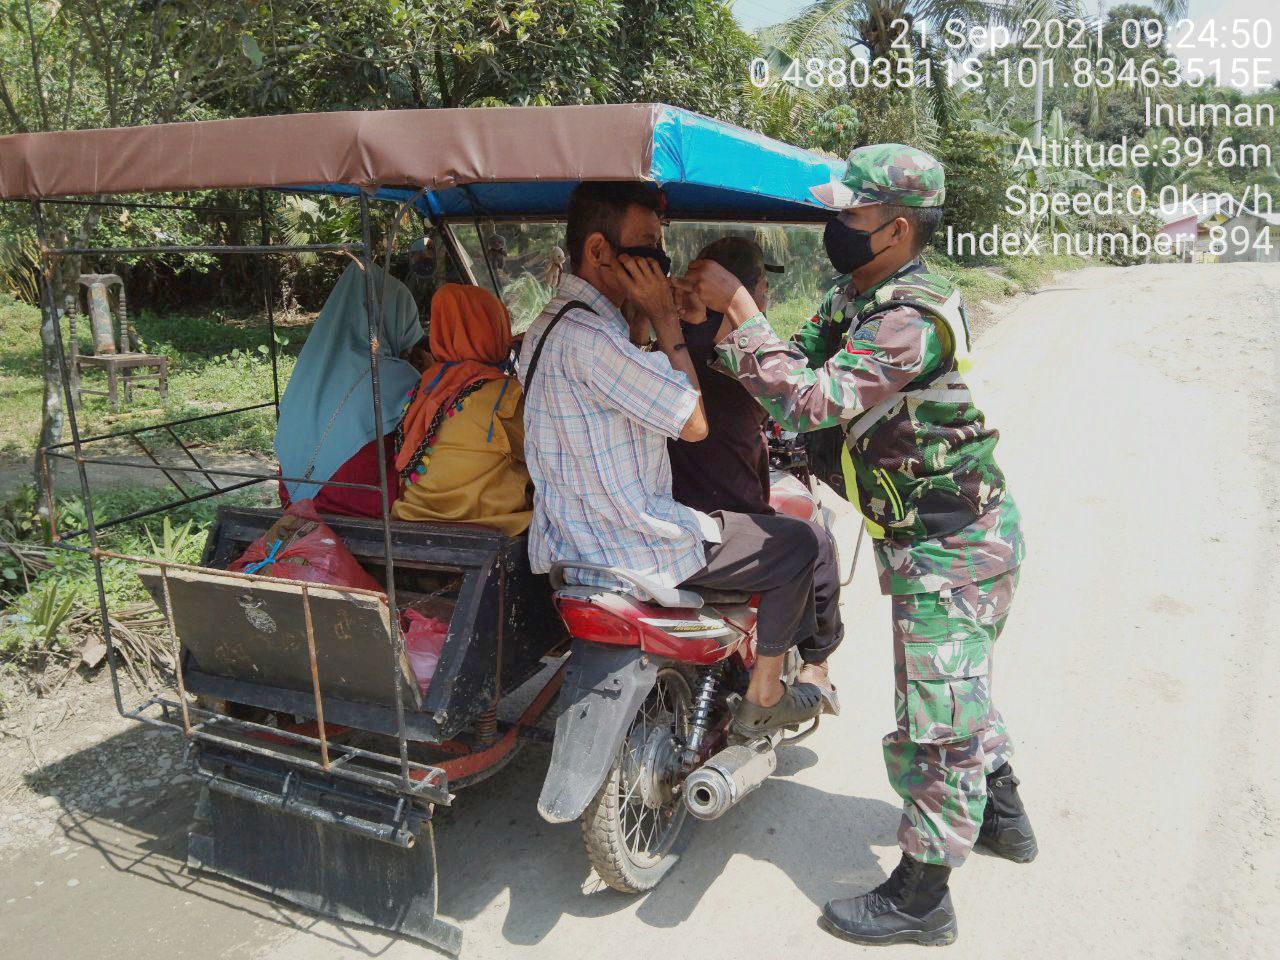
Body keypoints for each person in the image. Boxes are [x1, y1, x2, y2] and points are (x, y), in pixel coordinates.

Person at [681, 145, 1036, 948]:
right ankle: (1004, 817)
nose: (835, 226)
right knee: (960, 689)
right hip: (938, 537)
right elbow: (799, 360)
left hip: (954, 547)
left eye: (852, 214)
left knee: (936, 717)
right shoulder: (860, 293)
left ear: (897, 229)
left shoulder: (912, 317)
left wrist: (740, 307)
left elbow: (811, 398)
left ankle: (923, 896)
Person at [519, 182, 838, 732]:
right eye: (647, 246)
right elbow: (693, 423)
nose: (658, 261)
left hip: (569, 539)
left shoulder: (549, 325)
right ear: (599, 252)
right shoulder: (596, 339)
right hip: (633, 543)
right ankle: (764, 697)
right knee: (800, 542)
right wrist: (668, 321)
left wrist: (646, 319)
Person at [670, 236, 844, 694]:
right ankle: (814, 668)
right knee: (817, 542)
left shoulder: (670, 341)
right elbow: (797, 400)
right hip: (727, 515)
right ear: (752, 290)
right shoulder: (743, 356)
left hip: (669, 506)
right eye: (762, 286)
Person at [276, 260, 427, 518]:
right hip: (365, 516)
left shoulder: (309, 371)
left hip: (295, 504)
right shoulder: (396, 377)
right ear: (396, 318)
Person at [392, 284, 532, 536]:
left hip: (411, 526)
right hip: (490, 534)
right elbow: (548, 458)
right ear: (493, 330)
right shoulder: (504, 396)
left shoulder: (425, 387)